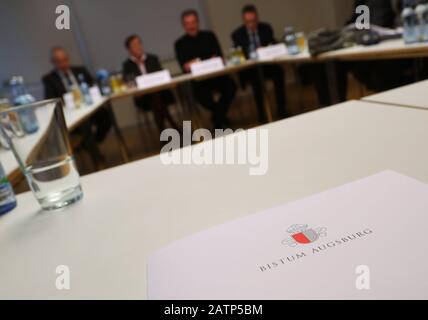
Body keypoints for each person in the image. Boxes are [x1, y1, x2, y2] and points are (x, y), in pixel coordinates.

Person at [42, 46, 111, 168]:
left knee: (106, 116)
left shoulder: (80, 70)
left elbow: (93, 88)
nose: (63, 63)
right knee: (85, 126)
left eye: (65, 59)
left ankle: (89, 144)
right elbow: (50, 101)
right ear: (53, 62)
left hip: (89, 109)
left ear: (68, 59)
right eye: (58, 61)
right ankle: (97, 160)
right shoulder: (49, 79)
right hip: (71, 115)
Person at [175, 9, 236, 128]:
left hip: (216, 76)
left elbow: (219, 57)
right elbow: (185, 66)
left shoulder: (209, 36)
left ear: (198, 22)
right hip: (198, 81)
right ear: (183, 26)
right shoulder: (179, 44)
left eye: (193, 22)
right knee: (200, 96)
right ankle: (219, 116)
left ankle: (217, 117)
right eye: (187, 23)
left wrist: (196, 61)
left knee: (231, 86)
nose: (191, 26)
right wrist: (206, 59)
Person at [231, 4, 288, 121]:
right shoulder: (237, 34)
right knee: (256, 80)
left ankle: (282, 109)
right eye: (248, 22)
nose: (251, 24)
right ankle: (262, 114)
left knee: (279, 73)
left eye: (253, 21)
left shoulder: (266, 28)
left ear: (257, 18)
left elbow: (273, 44)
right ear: (243, 21)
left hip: (267, 64)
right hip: (250, 68)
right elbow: (239, 54)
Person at [122, 34, 178, 132]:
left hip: (161, 94)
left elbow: (162, 74)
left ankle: (163, 134)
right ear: (129, 50)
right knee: (155, 99)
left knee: (156, 98)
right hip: (143, 98)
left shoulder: (153, 58)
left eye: (139, 43)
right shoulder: (127, 65)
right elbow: (128, 83)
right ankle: (174, 126)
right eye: (134, 45)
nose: (138, 46)